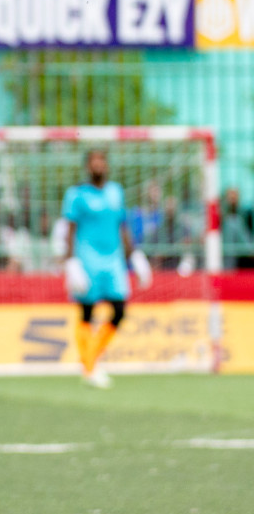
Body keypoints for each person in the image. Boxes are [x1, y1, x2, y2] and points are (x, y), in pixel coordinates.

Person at [62, 150, 149, 390]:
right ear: (87, 166)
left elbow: (123, 226)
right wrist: (70, 262)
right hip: (87, 260)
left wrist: (136, 256)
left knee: (119, 310)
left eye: (102, 160)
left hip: (114, 262)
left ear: (107, 165)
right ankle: (89, 368)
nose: (99, 164)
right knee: (87, 312)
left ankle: (91, 359)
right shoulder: (76, 194)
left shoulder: (116, 191)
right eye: (94, 161)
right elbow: (69, 229)